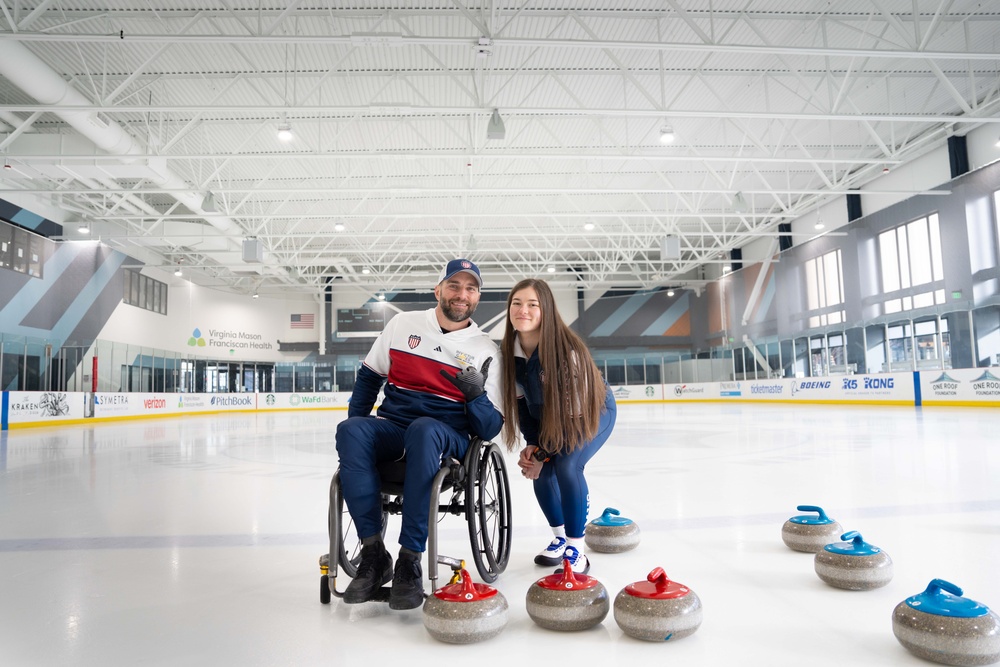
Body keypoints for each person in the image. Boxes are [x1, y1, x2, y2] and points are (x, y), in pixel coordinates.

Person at [335, 259, 503, 610]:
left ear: (477, 297)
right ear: (438, 290)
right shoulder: (403, 324)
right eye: (454, 286)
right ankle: (373, 555)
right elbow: (369, 378)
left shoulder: (487, 350)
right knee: (351, 431)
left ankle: (409, 559)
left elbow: (490, 429)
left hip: (448, 437)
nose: (462, 294)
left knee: (424, 430)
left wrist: (475, 395)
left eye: (470, 288)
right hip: (396, 428)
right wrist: (361, 438)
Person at [498, 278, 616, 575]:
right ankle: (560, 539)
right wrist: (532, 445)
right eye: (517, 303)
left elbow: (571, 419)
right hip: (551, 419)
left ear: (546, 309)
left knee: (566, 466)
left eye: (532, 304)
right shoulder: (509, 355)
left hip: (589, 414)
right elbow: (524, 406)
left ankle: (577, 548)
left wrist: (542, 455)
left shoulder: (568, 353)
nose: (523, 310)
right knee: (544, 474)